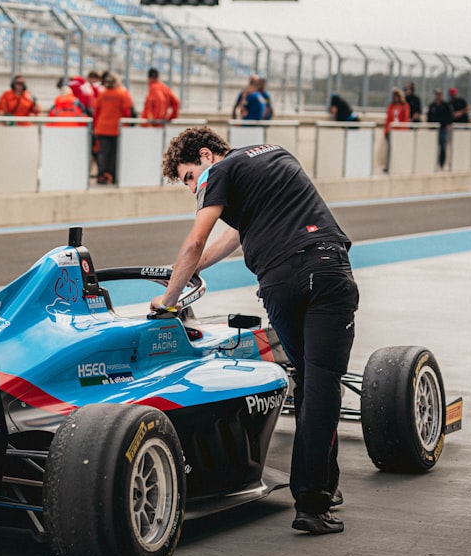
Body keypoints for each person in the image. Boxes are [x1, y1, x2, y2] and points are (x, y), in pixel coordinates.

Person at [150, 127, 357, 535]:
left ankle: (319, 494)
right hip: (325, 270)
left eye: (189, 176)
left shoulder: (218, 172)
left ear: (206, 156)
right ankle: (316, 499)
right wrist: (186, 275)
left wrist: (169, 301)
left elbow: (195, 241)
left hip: (283, 282)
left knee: (313, 383)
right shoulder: (272, 155)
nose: (192, 186)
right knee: (321, 384)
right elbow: (233, 237)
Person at [91, 71, 134, 184]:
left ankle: (101, 175)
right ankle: (112, 175)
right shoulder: (122, 94)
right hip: (116, 128)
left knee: (103, 153)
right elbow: (127, 112)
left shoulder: (102, 94)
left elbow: (96, 112)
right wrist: (127, 126)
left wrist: (95, 127)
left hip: (102, 127)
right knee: (114, 153)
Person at [384, 87, 410, 172]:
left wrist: (403, 130)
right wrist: (386, 130)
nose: (395, 98)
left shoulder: (404, 106)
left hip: (400, 131)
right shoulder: (391, 106)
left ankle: (400, 166)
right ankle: (388, 166)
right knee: (390, 149)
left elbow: (405, 119)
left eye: (396, 96)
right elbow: (388, 119)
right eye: (394, 96)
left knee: (400, 150)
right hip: (391, 131)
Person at [426, 88, 454, 169]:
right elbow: (429, 116)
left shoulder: (446, 105)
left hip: (442, 128)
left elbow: (450, 116)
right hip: (434, 129)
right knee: (432, 146)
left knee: (443, 146)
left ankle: (441, 163)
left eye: (439, 94)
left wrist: (448, 124)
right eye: (436, 94)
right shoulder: (432, 106)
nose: (438, 96)